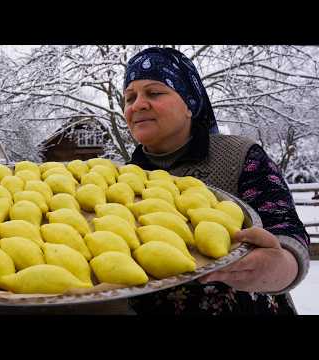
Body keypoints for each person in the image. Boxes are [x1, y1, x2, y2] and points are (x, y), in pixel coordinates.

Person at [122, 47, 311, 315]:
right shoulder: (121, 179)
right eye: (129, 98)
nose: (137, 105)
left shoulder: (239, 155)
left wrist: (280, 265)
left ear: (190, 103)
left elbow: (286, 229)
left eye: (154, 93)